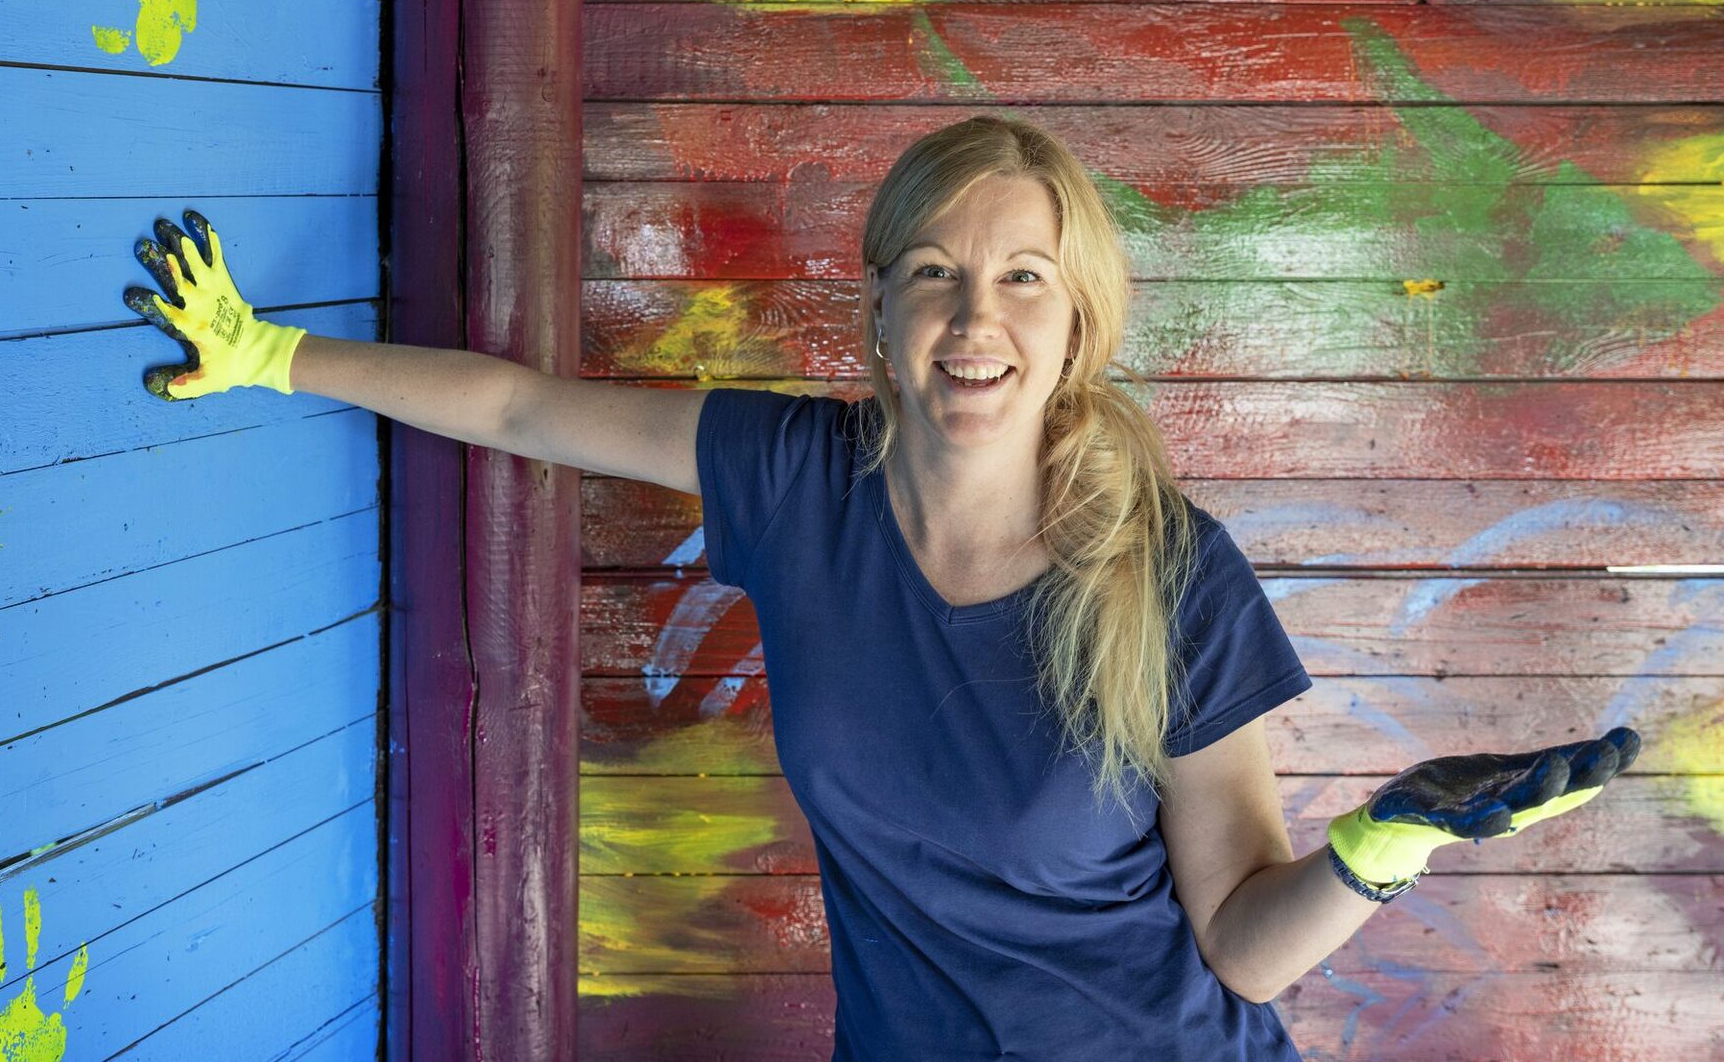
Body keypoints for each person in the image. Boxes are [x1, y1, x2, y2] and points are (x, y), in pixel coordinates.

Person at [123, 114, 1640, 1060]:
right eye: (934, 272)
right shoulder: (801, 482)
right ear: (878, 311)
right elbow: (523, 408)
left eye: (1023, 277)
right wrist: (274, 355)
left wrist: (1388, 839)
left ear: (1077, 321)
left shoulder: (1168, 570)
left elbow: (1241, 943)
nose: (975, 317)